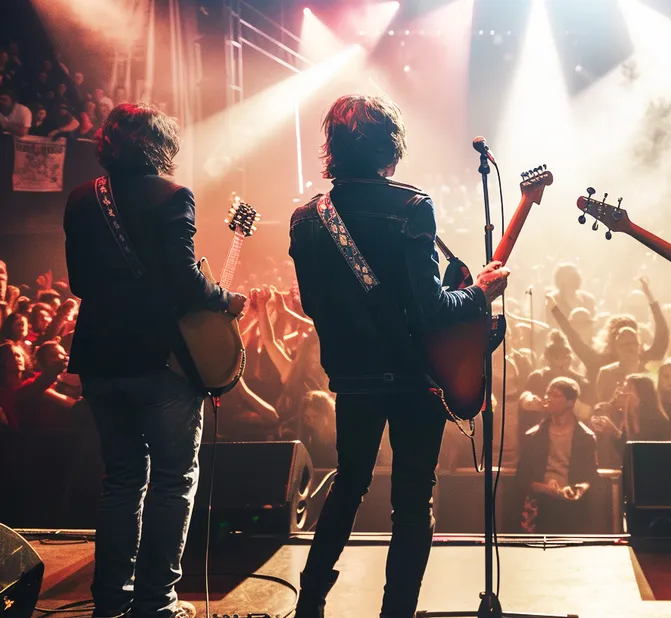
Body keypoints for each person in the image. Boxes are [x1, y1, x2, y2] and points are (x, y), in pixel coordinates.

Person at [288, 94, 510, 618]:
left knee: (348, 484)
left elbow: (312, 305)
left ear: (334, 150)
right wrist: (480, 293)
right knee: (413, 501)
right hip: (414, 380)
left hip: (352, 377)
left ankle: (311, 602)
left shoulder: (306, 219)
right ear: (391, 148)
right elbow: (430, 310)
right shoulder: (412, 206)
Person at [64, 103, 246, 618]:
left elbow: (79, 283)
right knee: (172, 480)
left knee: (121, 478)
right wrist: (225, 298)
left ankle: (109, 602)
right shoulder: (172, 196)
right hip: (161, 362)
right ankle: (155, 603)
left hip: (100, 359)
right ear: (160, 146)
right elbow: (185, 283)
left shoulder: (81, 200)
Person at [516, 377, 598, 534]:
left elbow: (591, 476)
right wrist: (545, 489)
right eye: (548, 394)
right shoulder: (534, 436)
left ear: (570, 402)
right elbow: (522, 477)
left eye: (556, 395)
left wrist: (575, 490)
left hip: (573, 506)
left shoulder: (585, 437)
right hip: (540, 504)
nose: (549, 399)